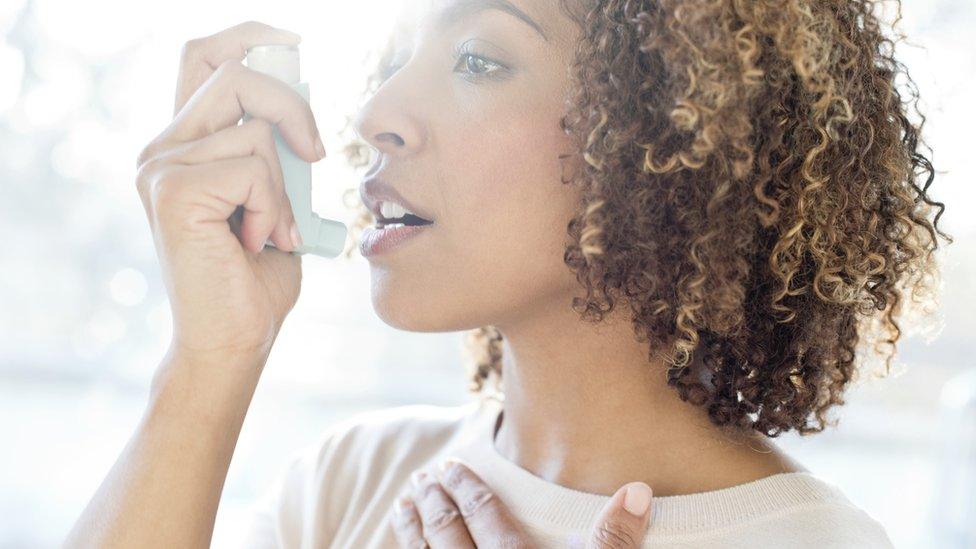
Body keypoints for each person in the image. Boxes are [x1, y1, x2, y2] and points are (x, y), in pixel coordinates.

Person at [66, 0, 949, 546]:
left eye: (479, 59)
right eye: (395, 62)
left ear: (671, 139)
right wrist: (209, 358)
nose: (374, 114)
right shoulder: (352, 484)